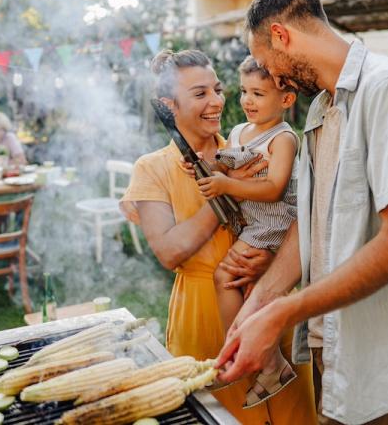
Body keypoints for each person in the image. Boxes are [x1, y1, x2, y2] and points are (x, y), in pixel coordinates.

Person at [216, 0, 388, 425]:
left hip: (383, 351)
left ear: (281, 35)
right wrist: (260, 304)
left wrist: (286, 310)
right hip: (332, 343)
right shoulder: (320, 109)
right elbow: (312, 225)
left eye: (269, 66)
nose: (276, 81)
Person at [121, 49, 317, 425]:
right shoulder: (152, 169)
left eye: (217, 89)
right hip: (206, 316)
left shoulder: (251, 148)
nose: (216, 102)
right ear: (169, 105)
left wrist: (274, 261)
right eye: (199, 94)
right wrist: (226, 193)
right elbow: (170, 251)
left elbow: (295, 211)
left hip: (272, 302)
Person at [196, 55, 300, 407]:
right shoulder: (240, 131)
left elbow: (274, 188)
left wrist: (225, 185)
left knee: (225, 276)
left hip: (272, 223)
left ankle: (242, 356)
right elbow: (227, 162)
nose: (247, 101)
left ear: (286, 99)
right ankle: (270, 365)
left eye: (258, 93)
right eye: (243, 91)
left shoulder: (283, 139)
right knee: (247, 287)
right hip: (250, 223)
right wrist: (205, 165)